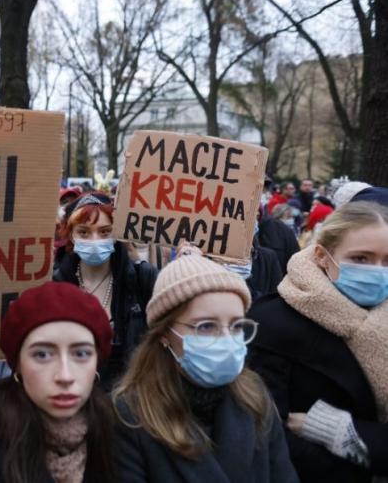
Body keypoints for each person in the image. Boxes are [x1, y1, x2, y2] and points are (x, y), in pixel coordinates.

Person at [113, 254, 298, 482]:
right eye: (206, 326)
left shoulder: (255, 397)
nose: (226, 339)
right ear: (164, 334)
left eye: (236, 325)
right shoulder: (129, 416)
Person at [248, 201, 388, 482]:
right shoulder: (272, 323)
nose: (378, 271)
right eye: (361, 258)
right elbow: (265, 436)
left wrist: (345, 433)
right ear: (323, 256)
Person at [0, 281, 116, 483]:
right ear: (18, 366)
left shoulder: (121, 438)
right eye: (42, 355)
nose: (65, 376)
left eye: (81, 354)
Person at [54, 192, 158, 389]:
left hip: (133, 402)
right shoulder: (55, 287)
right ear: (71, 235)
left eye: (104, 232)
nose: (95, 240)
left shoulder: (142, 279)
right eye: (84, 232)